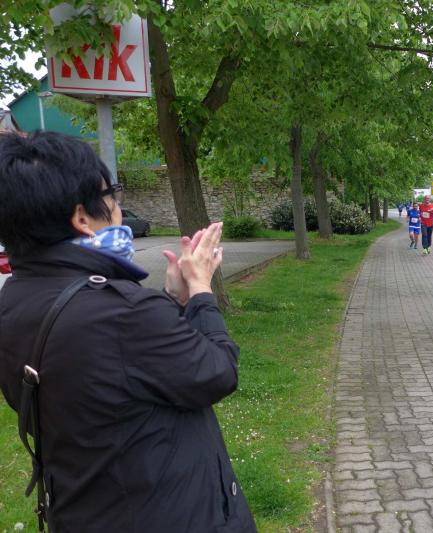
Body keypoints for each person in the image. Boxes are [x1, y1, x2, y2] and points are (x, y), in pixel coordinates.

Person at [0, 132, 257, 532]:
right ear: (82, 218)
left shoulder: (13, 301)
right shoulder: (123, 312)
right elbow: (218, 371)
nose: (119, 209)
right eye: (112, 196)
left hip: (84, 509)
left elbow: (117, 372)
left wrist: (171, 300)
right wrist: (201, 292)